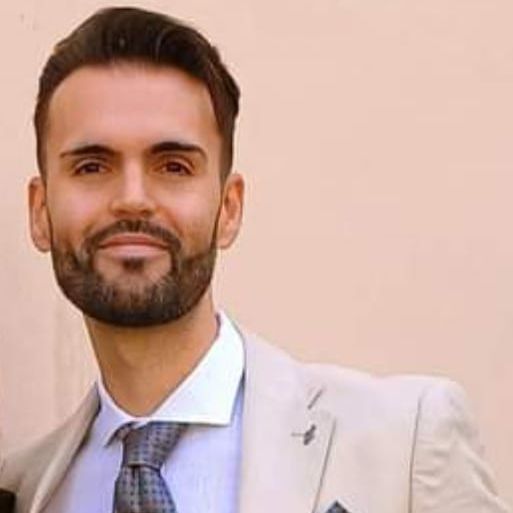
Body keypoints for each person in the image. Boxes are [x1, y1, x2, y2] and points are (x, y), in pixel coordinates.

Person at [0, 6, 508, 513]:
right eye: (92, 166)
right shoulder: (24, 489)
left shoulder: (406, 440)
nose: (133, 199)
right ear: (40, 213)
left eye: (173, 166)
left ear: (229, 207)